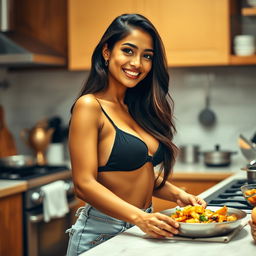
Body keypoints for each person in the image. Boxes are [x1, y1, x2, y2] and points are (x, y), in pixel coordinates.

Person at [66, 13, 206, 255]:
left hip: (143, 227)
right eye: (128, 51)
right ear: (107, 52)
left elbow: (139, 175)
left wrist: (179, 195)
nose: (137, 63)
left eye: (147, 56)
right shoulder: (90, 106)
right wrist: (140, 218)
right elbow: (84, 184)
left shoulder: (137, 110)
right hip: (101, 232)